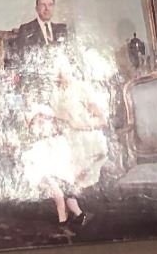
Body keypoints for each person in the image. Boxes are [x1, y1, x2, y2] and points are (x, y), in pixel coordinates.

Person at [19, 62, 109, 231]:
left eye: (61, 71)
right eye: (56, 72)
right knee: (45, 166)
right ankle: (72, 213)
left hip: (85, 141)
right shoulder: (55, 93)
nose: (58, 76)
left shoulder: (82, 88)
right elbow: (51, 117)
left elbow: (102, 120)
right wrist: (36, 116)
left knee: (65, 178)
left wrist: (80, 124)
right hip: (63, 140)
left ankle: (69, 213)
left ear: (70, 69)